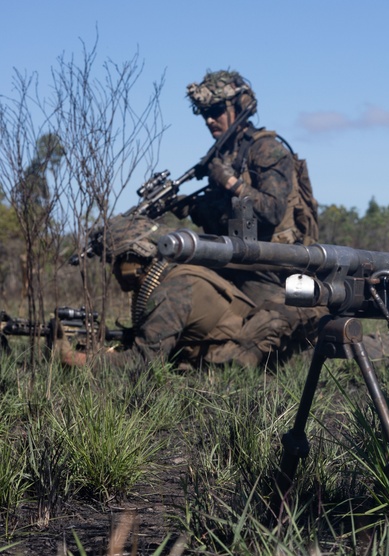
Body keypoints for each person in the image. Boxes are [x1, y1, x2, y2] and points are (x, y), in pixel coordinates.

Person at [175, 69, 323, 338]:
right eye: (204, 113)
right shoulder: (226, 154)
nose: (209, 119)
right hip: (241, 261)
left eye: (217, 110)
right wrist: (194, 208)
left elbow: (271, 209)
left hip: (274, 267)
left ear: (240, 106)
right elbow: (230, 220)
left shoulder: (266, 149)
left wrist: (230, 182)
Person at [55, 215, 294, 369]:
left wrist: (76, 359)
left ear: (134, 261)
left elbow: (143, 363)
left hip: (234, 359)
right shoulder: (168, 276)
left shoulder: (172, 291)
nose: (114, 271)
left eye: (116, 262)